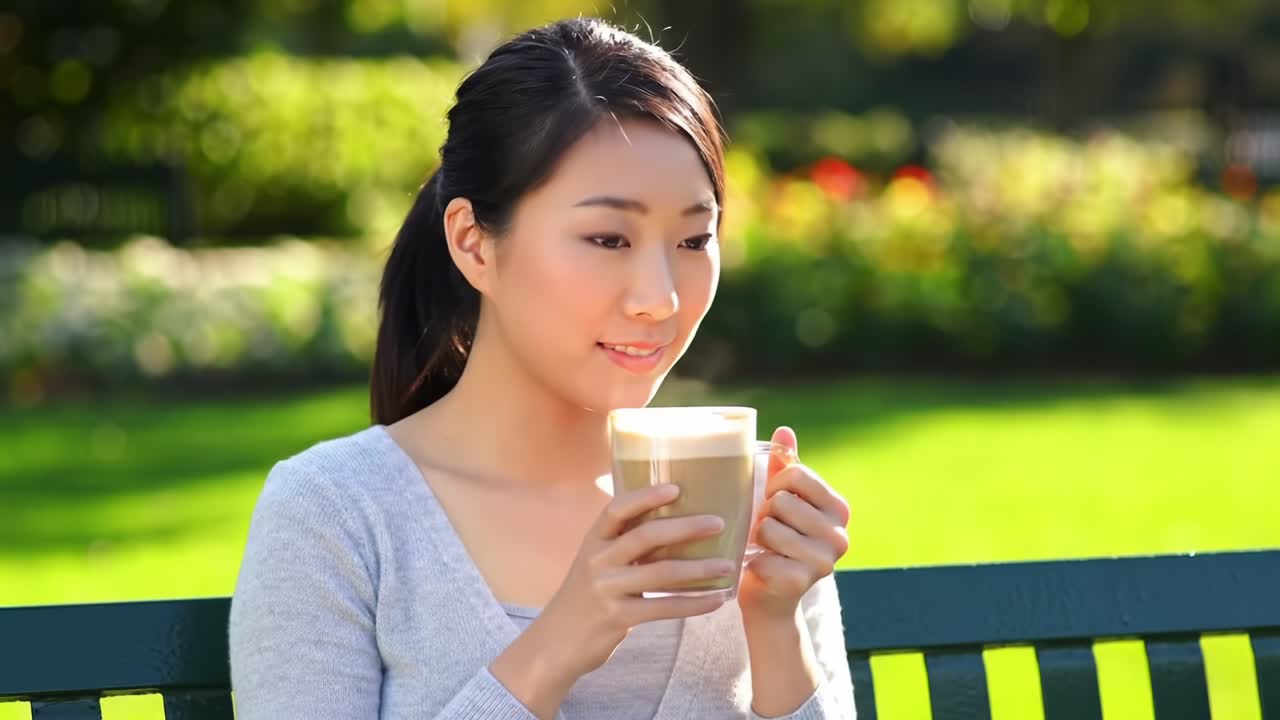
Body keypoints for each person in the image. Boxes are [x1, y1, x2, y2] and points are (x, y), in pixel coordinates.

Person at [228, 17, 855, 720]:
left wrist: (774, 624)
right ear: (473, 243)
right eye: (608, 238)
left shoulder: (753, 506)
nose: (661, 299)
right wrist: (556, 646)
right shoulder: (338, 514)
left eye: (693, 239)